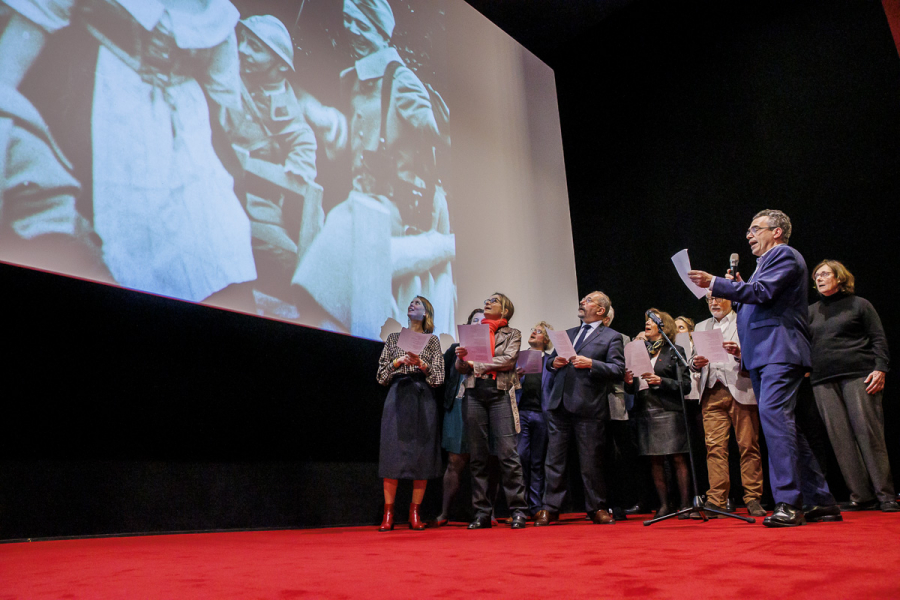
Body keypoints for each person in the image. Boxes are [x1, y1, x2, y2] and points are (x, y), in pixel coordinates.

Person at [0, 0, 257, 307]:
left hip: (186, 139)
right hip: (101, 114)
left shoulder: (216, 12)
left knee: (216, 242)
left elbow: (222, 105)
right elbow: (9, 67)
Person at [293, 0, 454, 339]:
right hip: (365, 198)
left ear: (381, 33)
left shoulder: (402, 81)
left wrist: (435, 126)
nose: (352, 30)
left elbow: (434, 131)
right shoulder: (351, 81)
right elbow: (352, 142)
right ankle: (327, 321)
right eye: (348, 21)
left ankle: (314, 309)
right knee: (346, 219)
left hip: (399, 207)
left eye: (361, 24)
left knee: (342, 222)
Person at [689, 209, 839, 527]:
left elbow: (763, 293)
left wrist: (716, 283)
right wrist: (740, 287)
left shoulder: (783, 254)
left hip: (779, 354)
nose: (748, 234)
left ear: (777, 232)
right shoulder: (762, 266)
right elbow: (758, 298)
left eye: (755, 228)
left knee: (776, 426)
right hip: (763, 356)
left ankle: (789, 502)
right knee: (791, 430)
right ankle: (821, 501)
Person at [225, 15, 322, 314]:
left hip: (255, 200)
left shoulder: (281, 97)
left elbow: (303, 140)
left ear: (280, 65)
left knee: (290, 261)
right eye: (244, 42)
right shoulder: (224, 66)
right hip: (215, 181)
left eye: (256, 48)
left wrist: (294, 169)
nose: (243, 50)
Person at [808, 260, 898, 512]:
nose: (819, 278)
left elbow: (878, 338)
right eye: (816, 275)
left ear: (840, 278)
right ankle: (861, 495)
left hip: (859, 375)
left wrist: (880, 367)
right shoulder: (811, 311)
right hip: (823, 381)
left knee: (868, 435)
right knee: (841, 440)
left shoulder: (860, 305)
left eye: (825, 274)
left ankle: (886, 495)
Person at [535, 291, 625, 526]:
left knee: (590, 460)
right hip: (559, 404)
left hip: (589, 406)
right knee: (554, 459)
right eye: (583, 300)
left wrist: (592, 363)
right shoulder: (567, 334)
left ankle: (596, 507)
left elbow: (617, 370)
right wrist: (553, 363)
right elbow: (550, 361)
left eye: (588, 301)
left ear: (601, 310)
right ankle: (550, 508)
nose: (582, 303)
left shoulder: (612, 337)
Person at [455, 293, 529, 529]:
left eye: (494, 300)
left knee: (508, 455)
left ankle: (518, 510)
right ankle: (482, 513)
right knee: (478, 456)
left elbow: (508, 361)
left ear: (505, 310)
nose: (487, 302)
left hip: (500, 394)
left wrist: (477, 364)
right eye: (487, 299)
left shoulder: (512, 334)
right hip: (474, 393)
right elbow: (462, 369)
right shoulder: (473, 331)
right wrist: (461, 359)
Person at [691, 293, 766, 517]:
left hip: (740, 389)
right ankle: (716, 500)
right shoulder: (702, 325)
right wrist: (695, 363)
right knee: (714, 448)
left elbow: (759, 352)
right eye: (709, 300)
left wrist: (740, 354)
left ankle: (753, 498)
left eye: (718, 298)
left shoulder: (744, 319)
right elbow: (693, 359)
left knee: (748, 446)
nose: (713, 303)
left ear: (731, 300)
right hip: (711, 392)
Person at [375, 295, 445, 531]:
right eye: (411, 302)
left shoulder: (432, 341)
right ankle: (388, 514)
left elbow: (438, 378)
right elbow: (380, 376)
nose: (412, 305)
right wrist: (398, 361)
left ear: (426, 314)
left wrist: (421, 364)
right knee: (392, 453)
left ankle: (415, 513)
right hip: (397, 394)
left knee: (421, 455)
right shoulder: (394, 338)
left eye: (418, 303)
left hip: (422, 396)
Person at [624, 309, 692, 519]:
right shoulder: (639, 351)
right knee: (654, 459)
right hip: (646, 409)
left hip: (669, 410)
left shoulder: (674, 350)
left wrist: (662, 381)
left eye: (654, 322)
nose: (648, 324)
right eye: (647, 322)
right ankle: (664, 505)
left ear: (665, 328)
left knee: (677, 458)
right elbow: (632, 387)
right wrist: (628, 383)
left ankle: (686, 504)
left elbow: (686, 385)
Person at [432, 308, 494, 526]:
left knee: (485, 461)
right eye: (474, 321)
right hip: (457, 408)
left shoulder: (495, 350)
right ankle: (444, 512)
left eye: (482, 322)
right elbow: (442, 378)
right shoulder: (454, 349)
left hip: (485, 407)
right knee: (454, 461)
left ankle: (487, 512)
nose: (478, 324)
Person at [515, 321, 553, 517]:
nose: (533, 334)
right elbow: (510, 385)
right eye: (533, 331)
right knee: (521, 457)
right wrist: (516, 376)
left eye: (538, 332)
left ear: (545, 340)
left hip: (541, 414)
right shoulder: (519, 358)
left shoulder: (550, 361)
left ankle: (535, 506)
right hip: (522, 413)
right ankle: (519, 507)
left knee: (538, 461)